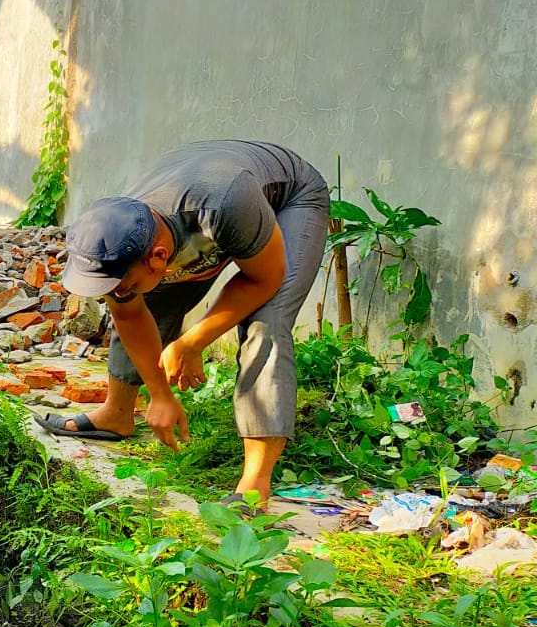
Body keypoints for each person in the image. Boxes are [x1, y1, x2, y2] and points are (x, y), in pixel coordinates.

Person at [38, 140, 330, 507]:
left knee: (265, 320)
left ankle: (255, 483)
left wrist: (193, 342)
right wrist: (160, 394)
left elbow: (264, 279)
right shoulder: (117, 237)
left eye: (119, 286)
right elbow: (128, 312)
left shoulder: (225, 206)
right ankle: (116, 414)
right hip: (203, 212)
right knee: (152, 294)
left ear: (158, 256)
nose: (115, 294)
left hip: (286, 198)